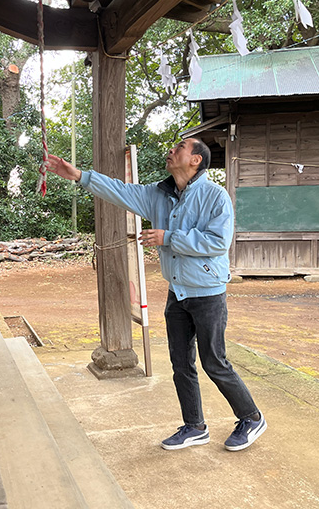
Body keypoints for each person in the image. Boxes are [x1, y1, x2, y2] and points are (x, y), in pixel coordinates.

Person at [46, 137, 266, 452]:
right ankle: (195, 426)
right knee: (180, 362)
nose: (171, 150)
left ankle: (251, 417)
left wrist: (168, 237)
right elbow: (121, 191)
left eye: (180, 148)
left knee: (213, 361)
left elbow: (218, 242)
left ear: (196, 161)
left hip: (207, 294)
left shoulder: (214, 196)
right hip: (177, 292)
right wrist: (80, 176)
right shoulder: (158, 195)